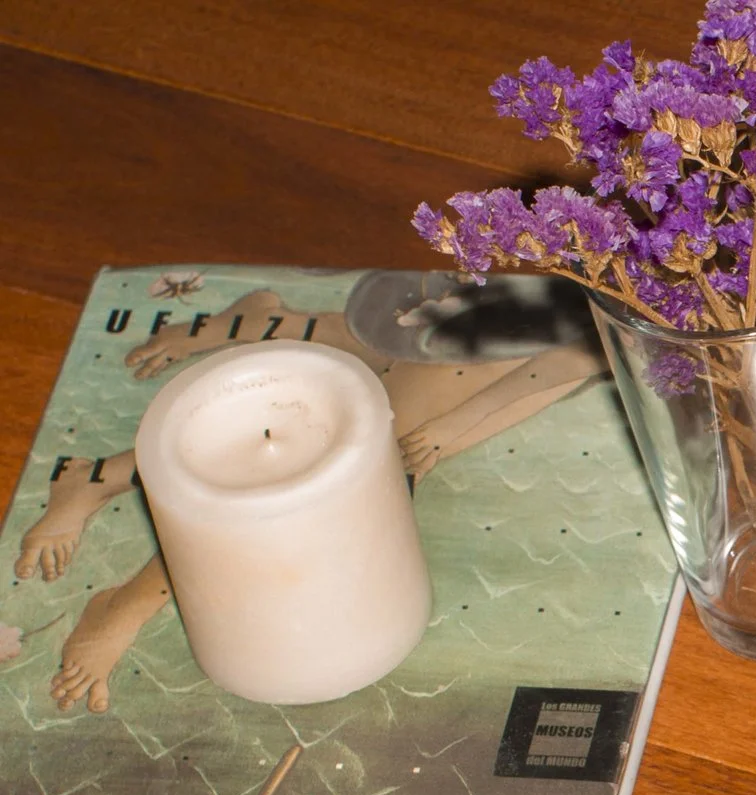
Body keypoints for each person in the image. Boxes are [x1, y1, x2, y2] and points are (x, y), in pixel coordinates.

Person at [17, 282, 607, 713]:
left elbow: (556, 368)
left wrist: (454, 429)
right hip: (464, 361)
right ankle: (125, 603)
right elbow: (547, 369)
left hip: (474, 355)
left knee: (325, 405)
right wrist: (451, 428)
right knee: (271, 501)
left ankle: (108, 466)